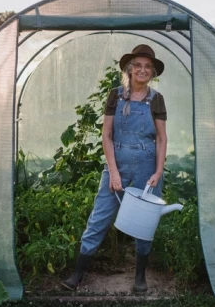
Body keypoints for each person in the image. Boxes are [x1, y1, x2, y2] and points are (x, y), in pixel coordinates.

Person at [61, 44, 168, 294]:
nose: (142, 70)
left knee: (144, 221)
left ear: (152, 72)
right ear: (130, 70)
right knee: (100, 216)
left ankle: (139, 276)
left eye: (147, 67)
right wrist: (114, 171)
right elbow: (106, 135)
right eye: (138, 65)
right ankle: (78, 274)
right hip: (116, 164)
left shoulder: (156, 99)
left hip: (147, 166)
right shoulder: (115, 96)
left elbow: (162, 139)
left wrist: (158, 171)